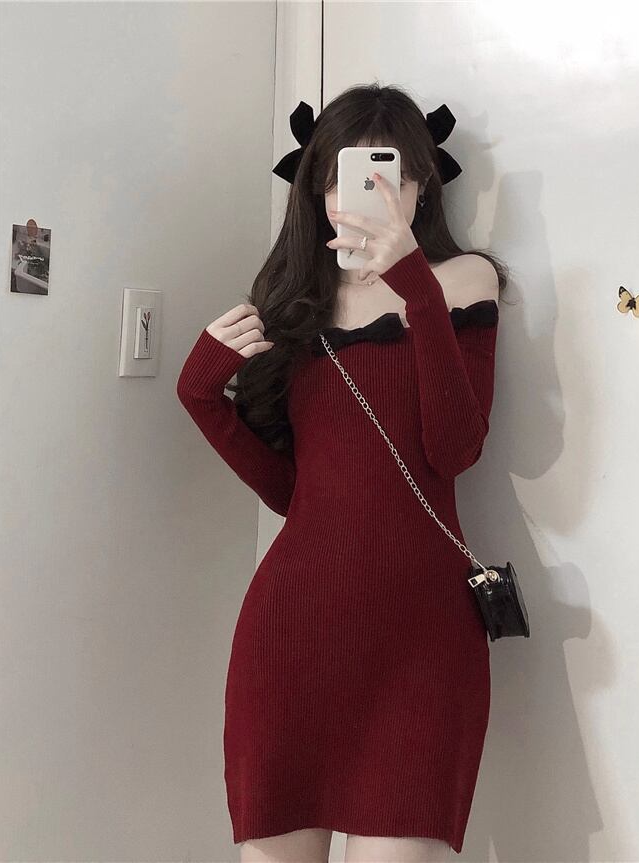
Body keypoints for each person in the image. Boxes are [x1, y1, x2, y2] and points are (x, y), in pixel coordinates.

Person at [176, 83, 510, 863]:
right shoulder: (296, 302)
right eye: (336, 179)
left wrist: (414, 283)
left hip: (423, 636)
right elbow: (294, 495)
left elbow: (455, 449)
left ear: (422, 185)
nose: (356, 197)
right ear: (316, 190)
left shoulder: (464, 281)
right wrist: (201, 398)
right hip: (295, 630)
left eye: (386, 175)